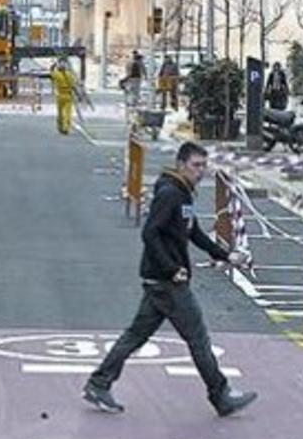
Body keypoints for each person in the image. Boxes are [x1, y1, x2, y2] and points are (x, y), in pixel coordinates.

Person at [84, 141, 258, 418]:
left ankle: (98, 383)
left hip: (159, 282)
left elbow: (194, 233)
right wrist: (171, 268)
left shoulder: (183, 193)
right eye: (196, 166)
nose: (201, 172)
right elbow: (150, 233)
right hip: (168, 283)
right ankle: (220, 395)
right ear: (181, 165)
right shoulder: (170, 194)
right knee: (198, 338)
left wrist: (227, 256)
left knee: (135, 336)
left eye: (204, 166)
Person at [49, 57, 79, 135]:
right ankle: (65, 128)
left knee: (60, 113)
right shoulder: (69, 74)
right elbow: (73, 86)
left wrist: (54, 64)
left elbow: (51, 71)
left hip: (59, 95)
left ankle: (61, 126)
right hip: (68, 95)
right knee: (67, 113)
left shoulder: (56, 74)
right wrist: (78, 94)